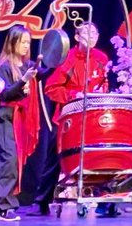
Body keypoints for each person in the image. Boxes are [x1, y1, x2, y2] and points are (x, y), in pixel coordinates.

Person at [37, 22, 115, 215]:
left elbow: (104, 83)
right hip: (68, 117)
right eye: (86, 33)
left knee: (100, 156)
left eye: (95, 32)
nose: (92, 36)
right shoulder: (66, 58)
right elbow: (51, 88)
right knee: (55, 159)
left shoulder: (101, 58)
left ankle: (105, 199)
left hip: (93, 117)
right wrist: (75, 95)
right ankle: (41, 201)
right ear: (77, 37)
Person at [0, 25, 41, 221]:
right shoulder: (4, 67)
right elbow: (4, 93)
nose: (25, 46)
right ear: (12, 42)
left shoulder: (26, 65)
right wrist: (23, 81)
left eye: (28, 43)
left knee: (6, 162)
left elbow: (43, 74)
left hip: (17, 119)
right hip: (4, 117)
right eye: (22, 42)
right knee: (8, 161)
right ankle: (4, 207)